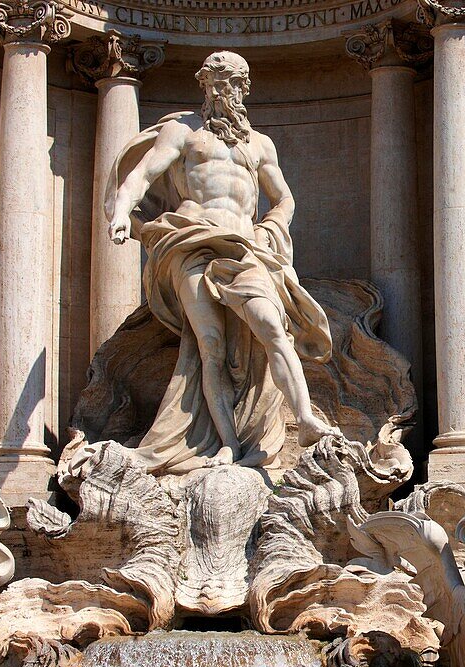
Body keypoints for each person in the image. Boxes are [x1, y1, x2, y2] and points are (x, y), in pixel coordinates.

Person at [106, 51, 339, 473]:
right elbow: (140, 176)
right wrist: (123, 212)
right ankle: (228, 443)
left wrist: (271, 229)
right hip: (191, 241)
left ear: (243, 88)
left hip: (245, 244)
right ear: (203, 87)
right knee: (209, 346)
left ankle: (304, 419)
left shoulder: (259, 144)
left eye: (229, 83)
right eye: (213, 83)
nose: (220, 91)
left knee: (271, 326)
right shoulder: (182, 132)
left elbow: (283, 197)